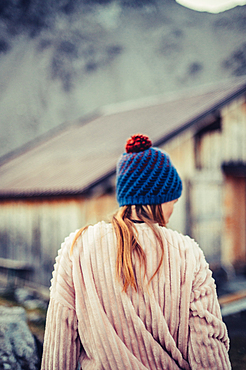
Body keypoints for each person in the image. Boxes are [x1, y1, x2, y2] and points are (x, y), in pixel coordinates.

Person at [41, 134, 231, 370]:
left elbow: (59, 340)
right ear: (160, 198)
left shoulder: (77, 246)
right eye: (174, 199)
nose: (173, 207)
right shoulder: (187, 252)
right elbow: (208, 344)